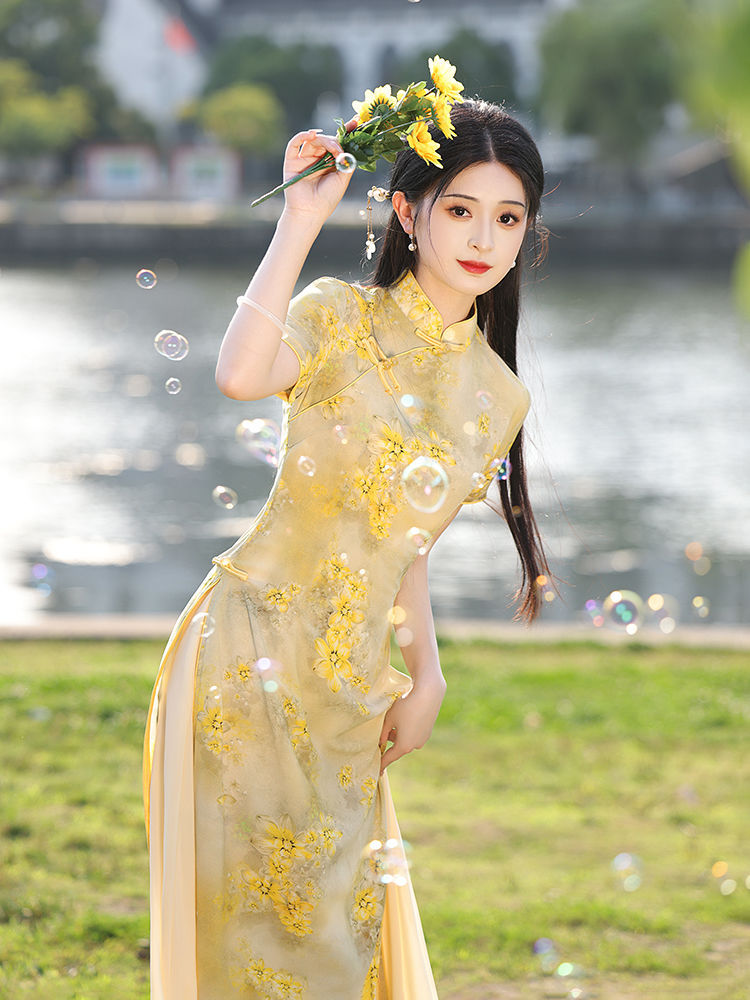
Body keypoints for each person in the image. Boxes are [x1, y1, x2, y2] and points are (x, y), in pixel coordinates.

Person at [143, 97, 553, 1000]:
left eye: (508, 216)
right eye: (460, 208)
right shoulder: (337, 317)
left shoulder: (498, 396)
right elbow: (241, 374)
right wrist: (301, 219)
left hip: (352, 688)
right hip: (243, 660)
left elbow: (405, 542)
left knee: (336, 945)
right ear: (406, 210)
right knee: (246, 946)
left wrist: (428, 672)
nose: (485, 236)